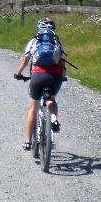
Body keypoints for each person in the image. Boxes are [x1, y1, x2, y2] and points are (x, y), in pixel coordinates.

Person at [13, 17, 67, 150]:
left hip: (38, 76)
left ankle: (28, 141)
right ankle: (54, 118)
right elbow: (62, 64)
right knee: (51, 99)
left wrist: (18, 74)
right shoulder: (57, 41)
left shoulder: (34, 41)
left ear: (39, 28)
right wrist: (63, 77)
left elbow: (25, 61)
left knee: (33, 108)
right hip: (55, 76)